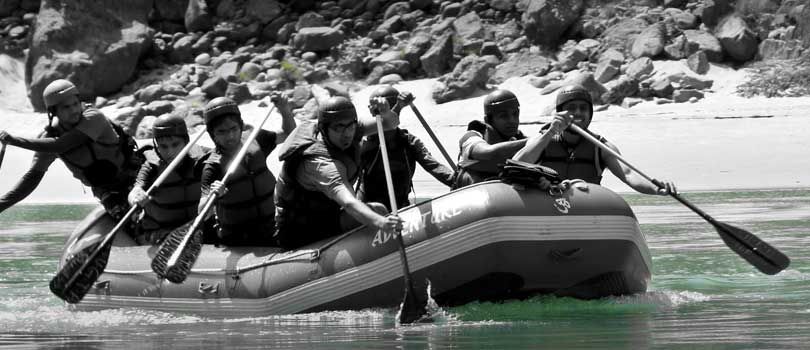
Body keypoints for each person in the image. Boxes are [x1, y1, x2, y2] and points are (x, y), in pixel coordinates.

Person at [0, 79, 143, 220]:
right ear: (53, 112)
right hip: (106, 190)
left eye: (75, 104)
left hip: (136, 176)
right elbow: (31, 179)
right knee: (122, 215)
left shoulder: (94, 117)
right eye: (66, 107)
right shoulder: (48, 138)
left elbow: (61, 145)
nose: (74, 110)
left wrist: (14, 141)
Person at [274, 96, 403, 250]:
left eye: (350, 126)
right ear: (324, 128)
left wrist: (386, 113)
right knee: (377, 213)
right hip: (299, 230)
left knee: (378, 209)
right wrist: (380, 222)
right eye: (339, 128)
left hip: (326, 215)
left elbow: (390, 123)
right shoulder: (321, 164)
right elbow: (349, 203)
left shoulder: (350, 129)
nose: (347, 133)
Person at [512, 84, 677, 195]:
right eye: (571, 108)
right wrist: (550, 132)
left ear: (590, 113)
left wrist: (656, 189)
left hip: (585, 210)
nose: (578, 113)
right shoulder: (543, 139)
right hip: (546, 207)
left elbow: (629, 174)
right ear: (559, 113)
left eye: (583, 108)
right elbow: (517, 163)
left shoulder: (600, 147)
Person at [200, 94, 295, 246]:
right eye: (221, 132)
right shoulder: (212, 166)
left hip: (273, 225)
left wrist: (285, 110)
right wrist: (213, 195)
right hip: (239, 238)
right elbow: (202, 211)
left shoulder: (255, 139)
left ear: (241, 126)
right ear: (213, 136)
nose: (230, 136)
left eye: (233, 129)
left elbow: (289, 135)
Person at [358, 86, 455, 210]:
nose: (386, 113)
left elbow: (433, 165)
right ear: (372, 112)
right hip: (369, 207)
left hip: (401, 206)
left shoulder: (409, 141)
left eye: (389, 108)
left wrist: (456, 181)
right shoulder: (365, 143)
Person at [127, 115, 207, 245]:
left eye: (175, 145)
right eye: (163, 146)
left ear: (186, 142)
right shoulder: (151, 166)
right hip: (160, 232)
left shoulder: (203, 159)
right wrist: (136, 198)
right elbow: (136, 189)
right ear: (156, 146)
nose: (170, 152)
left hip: (194, 229)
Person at [453, 89, 529, 189]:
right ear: (488, 120)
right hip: (472, 198)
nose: (512, 120)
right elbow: (489, 153)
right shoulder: (471, 137)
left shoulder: (518, 139)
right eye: (503, 116)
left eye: (515, 114)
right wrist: (537, 141)